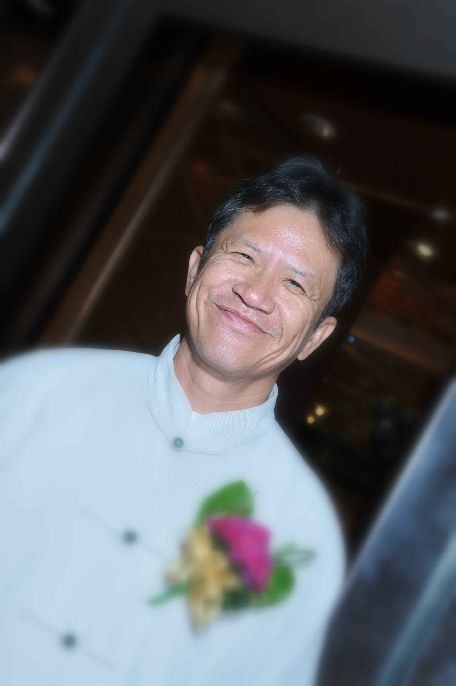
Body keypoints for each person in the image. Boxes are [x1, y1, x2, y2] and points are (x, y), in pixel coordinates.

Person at [0, 156, 367, 685]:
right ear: (196, 268)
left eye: (294, 284)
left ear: (316, 336)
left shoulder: (302, 532)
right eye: (245, 255)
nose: (255, 293)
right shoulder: (39, 390)